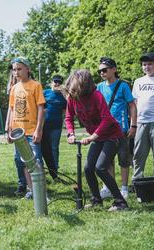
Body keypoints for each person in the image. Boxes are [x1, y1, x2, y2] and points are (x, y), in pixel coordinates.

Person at [65, 69, 128, 211]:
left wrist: (93, 136)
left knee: (100, 168)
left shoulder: (96, 96)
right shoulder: (72, 98)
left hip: (112, 135)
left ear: (83, 85)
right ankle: (96, 200)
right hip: (98, 137)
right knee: (88, 168)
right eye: (71, 89)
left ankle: (120, 202)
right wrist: (71, 134)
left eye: (75, 89)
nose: (72, 92)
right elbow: (69, 118)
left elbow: (106, 119)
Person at [96, 57, 137, 200]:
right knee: (107, 160)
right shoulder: (99, 87)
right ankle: (108, 187)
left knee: (123, 158)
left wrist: (133, 125)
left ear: (114, 69)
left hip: (121, 129)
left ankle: (124, 188)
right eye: (99, 70)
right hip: (105, 130)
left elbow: (132, 105)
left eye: (104, 70)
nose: (102, 73)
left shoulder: (123, 86)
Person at [8, 57, 45, 199]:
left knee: (35, 161)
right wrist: (10, 129)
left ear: (28, 69)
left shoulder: (36, 85)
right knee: (21, 161)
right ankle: (31, 190)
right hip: (18, 133)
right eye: (14, 69)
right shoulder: (14, 88)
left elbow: (41, 108)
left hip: (31, 131)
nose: (16, 72)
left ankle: (41, 191)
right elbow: (11, 109)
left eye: (19, 69)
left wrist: (38, 129)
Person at [132, 52, 154, 182]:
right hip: (141, 122)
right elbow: (135, 103)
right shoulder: (138, 81)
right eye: (144, 64)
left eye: (149, 64)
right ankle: (137, 180)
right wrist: (134, 121)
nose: (146, 67)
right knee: (138, 154)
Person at [41, 75, 67, 180]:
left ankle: (54, 171)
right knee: (43, 149)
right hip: (44, 125)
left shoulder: (63, 96)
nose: (56, 84)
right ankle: (43, 169)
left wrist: (65, 94)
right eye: (55, 82)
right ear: (51, 82)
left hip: (56, 126)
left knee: (54, 148)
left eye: (59, 82)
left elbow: (66, 109)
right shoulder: (45, 92)